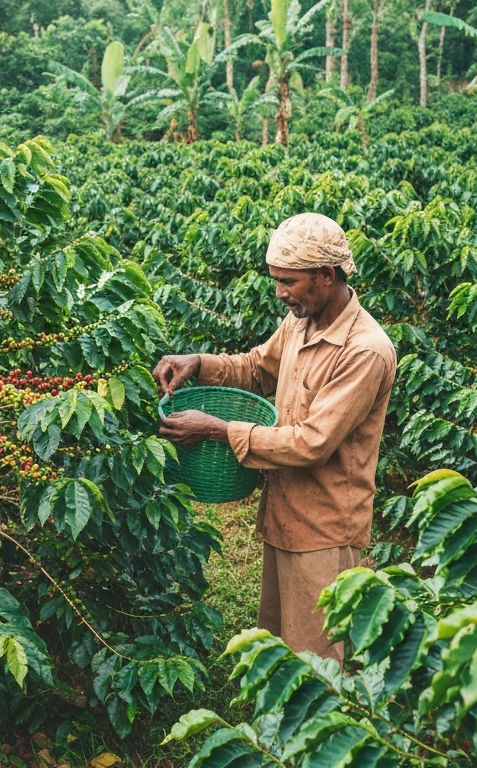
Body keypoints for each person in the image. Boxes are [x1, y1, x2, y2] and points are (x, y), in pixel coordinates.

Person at [152, 213, 396, 662]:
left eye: (289, 282)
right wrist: (199, 363)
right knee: (280, 642)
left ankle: (320, 731)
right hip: (285, 509)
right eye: (276, 280)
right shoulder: (301, 321)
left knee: (317, 657)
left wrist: (218, 430)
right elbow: (256, 367)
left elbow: (312, 443)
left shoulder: (365, 350)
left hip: (325, 527)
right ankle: (277, 731)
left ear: (326, 275)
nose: (280, 293)